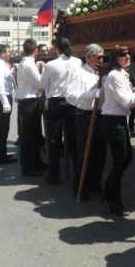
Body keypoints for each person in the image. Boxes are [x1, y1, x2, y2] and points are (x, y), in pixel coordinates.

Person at [65, 43, 107, 198]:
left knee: (100, 152)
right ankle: (79, 186)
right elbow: (70, 96)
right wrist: (89, 95)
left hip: (101, 114)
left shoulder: (102, 72)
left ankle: (95, 184)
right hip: (85, 114)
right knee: (84, 152)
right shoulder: (79, 73)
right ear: (89, 57)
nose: (101, 60)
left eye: (103, 57)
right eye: (99, 57)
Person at [100, 45, 135, 216]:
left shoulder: (121, 74)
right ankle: (113, 200)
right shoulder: (115, 76)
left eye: (128, 54)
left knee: (127, 157)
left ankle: (108, 190)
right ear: (115, 58)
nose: (127, 56)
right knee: (120, 161)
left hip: (118, 120)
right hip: (113, 121)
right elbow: (127, 101)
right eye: (122, 55)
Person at [40, 36, 81, 184]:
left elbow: (42, 83)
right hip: (72, 101)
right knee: (73, 138)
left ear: (57, 48)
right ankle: (78, 174)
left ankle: (54, 174)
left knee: (54, 139)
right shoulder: (78, 62)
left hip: (56, 103)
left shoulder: (51, 64)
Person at [16, 38, 46, 177]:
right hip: (28, 103)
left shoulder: (26, 63)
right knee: (28, 136)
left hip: (30, 102)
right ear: (36, 50)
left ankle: (36, 161)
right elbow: (40, 83)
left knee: (34, 135)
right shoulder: (28, 64)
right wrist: (43, 70)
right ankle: (28, 167)